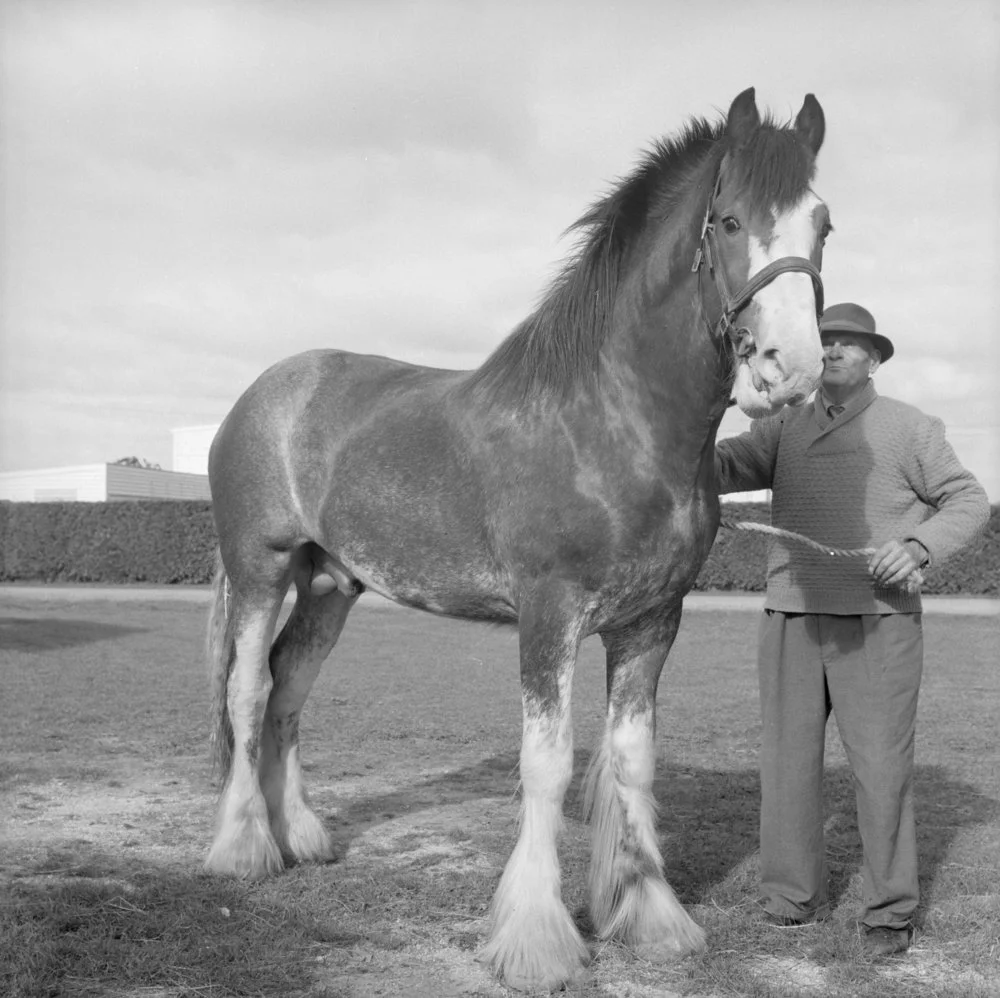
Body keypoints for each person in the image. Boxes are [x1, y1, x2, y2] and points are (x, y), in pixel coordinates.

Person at [714, 302, 990, 956]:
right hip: (791, 613)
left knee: (881, 769)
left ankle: (890, 913)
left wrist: (919, 546)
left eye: (848, 343)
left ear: (874, 359)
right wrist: (697, 414)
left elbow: (970, 500)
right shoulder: (783, 427)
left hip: (879, 621)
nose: (833, 351)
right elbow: (717, 470)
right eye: (825, 341)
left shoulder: (910, 428)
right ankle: (789, 899)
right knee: (785, 767)